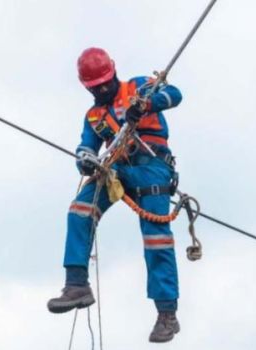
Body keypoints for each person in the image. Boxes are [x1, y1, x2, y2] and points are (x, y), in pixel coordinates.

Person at [47, 47, 184, 343]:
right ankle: (76, 285)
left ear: (114, 72)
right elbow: (86, 146)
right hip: (116, 169)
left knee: (156, 238)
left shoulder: (137, 87)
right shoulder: (95, 116)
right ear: (88, 87)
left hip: (152, 166)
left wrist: (148, 104)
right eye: (97, 87)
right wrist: (84, 160)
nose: (104, 89)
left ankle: (167, 314)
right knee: (79, 210)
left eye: (106, 83)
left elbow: (175, 94)